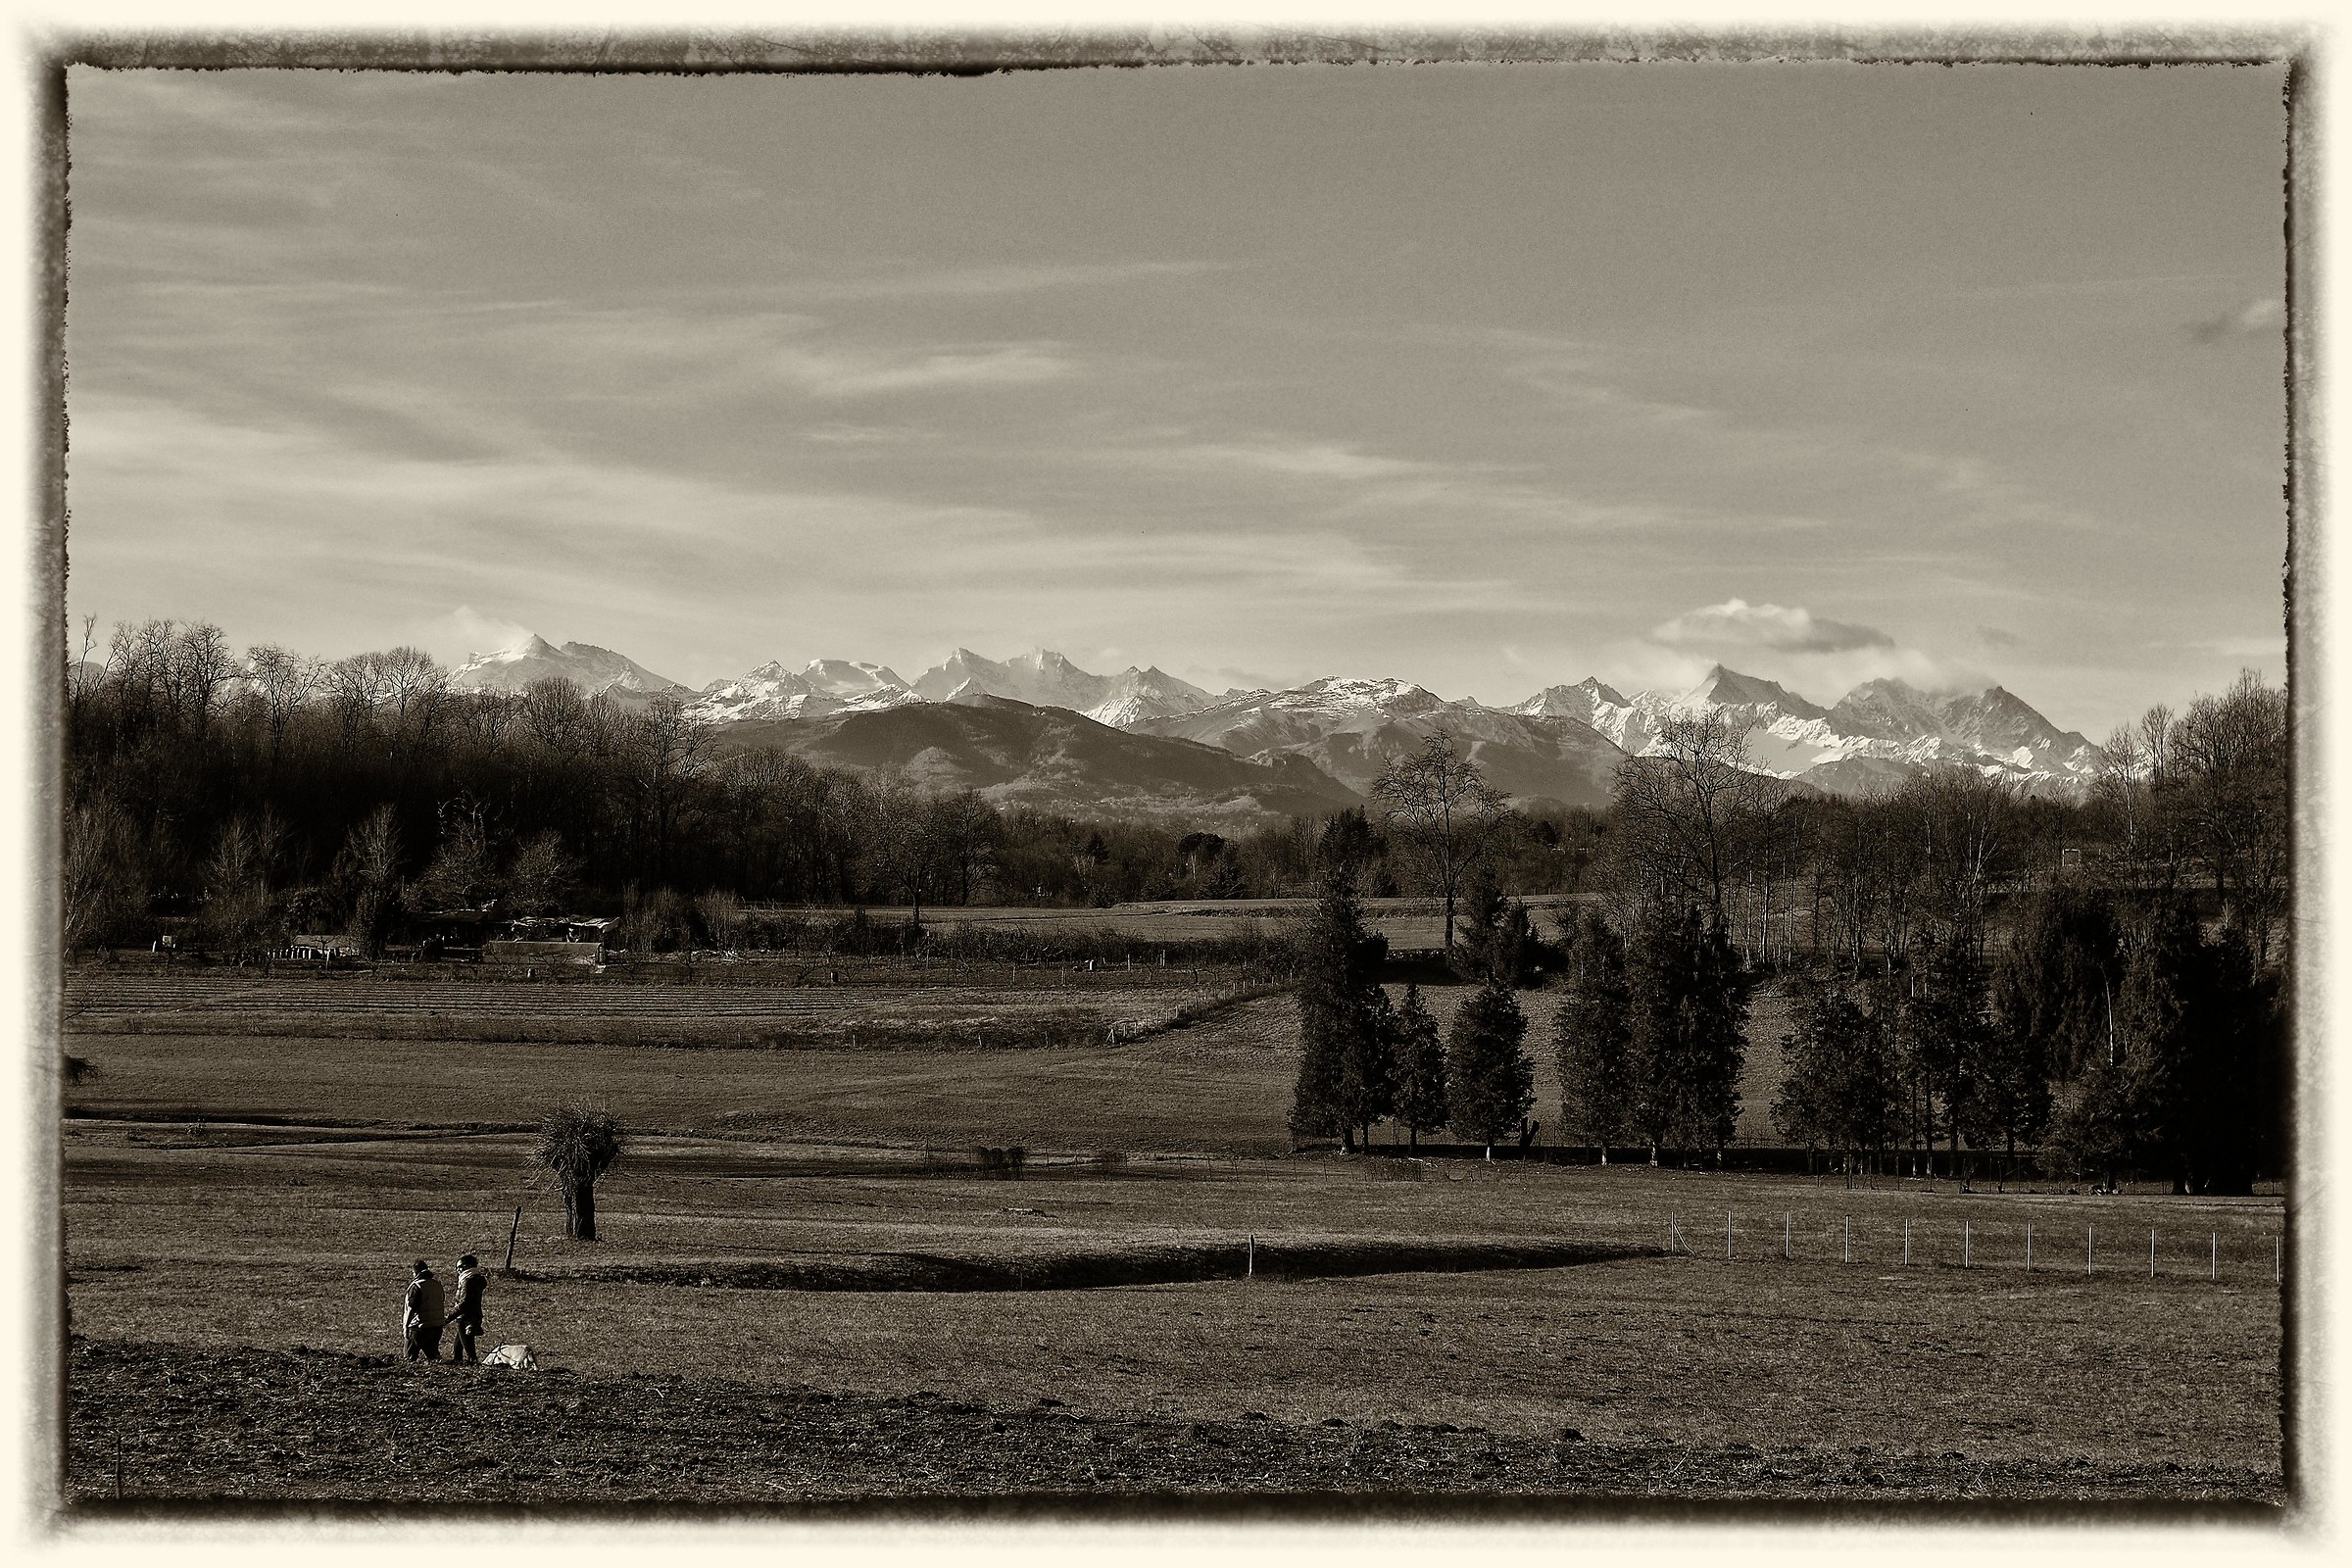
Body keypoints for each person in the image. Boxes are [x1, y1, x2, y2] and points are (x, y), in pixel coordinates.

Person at [446, 1253, 487, 1365]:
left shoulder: (468, 1281)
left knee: (469, 1351)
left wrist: (449, 1317)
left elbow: (464, 1304)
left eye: (460, 1267)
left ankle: (472, 1367)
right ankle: (458, 1364)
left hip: (465, 1317)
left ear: (468, 1266)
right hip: (474, 1316)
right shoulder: (477, 1279)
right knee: (458, 1346)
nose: (457, 1270)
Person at [403, 1259, 446, 1362]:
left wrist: (406, 1326)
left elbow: (411, 1309)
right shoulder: (437, 1284)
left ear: (416, 1273)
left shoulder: (416, 1286)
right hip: (437, 1325)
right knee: (433, 1355)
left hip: (420, 1326)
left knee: (409, 1356)